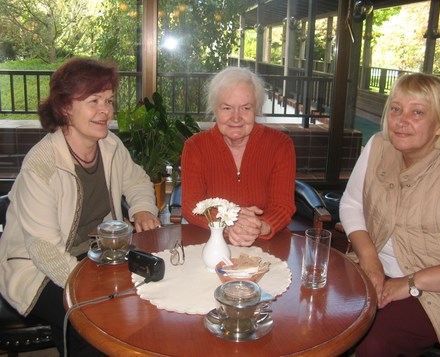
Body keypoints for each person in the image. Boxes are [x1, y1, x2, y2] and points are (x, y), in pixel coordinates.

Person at [0, 57, 160, 356]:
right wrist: (87, 289)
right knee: (88, 322)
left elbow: (137, 180)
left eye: (109, 100)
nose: (106, 110)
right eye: (93, 100)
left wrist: (142, 209)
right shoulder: (42, 165)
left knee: (154, 298)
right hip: (39, 269)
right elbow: (45, 250)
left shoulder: (110, 145)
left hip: (99, 255)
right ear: (64, 108)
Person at [339, 72, 440, 356]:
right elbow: (351, 203)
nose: (402, 120)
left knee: (371, 344)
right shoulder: (378, 146)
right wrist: (370, 259)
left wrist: (412, 282)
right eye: (396, 109)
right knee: (320, 308)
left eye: (417, 112)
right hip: (375, 269)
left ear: (439, 125)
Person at [181, 66, 296, 246]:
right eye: (227, 108)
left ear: (256, 108)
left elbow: (283, 205)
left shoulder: (280, 145)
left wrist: (261, 226)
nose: (236, 118)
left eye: (245, 108)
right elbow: (191, 204)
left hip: (266, 243)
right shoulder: (195, 147)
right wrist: (228, 223)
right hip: (213, 241)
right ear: (215, 110)